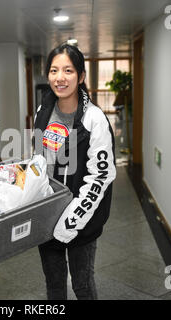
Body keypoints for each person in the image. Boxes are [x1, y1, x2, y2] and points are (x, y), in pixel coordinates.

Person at [33, 44, 116, 300]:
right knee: (54, 285)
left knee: (82, 284)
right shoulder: (42, 113)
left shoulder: (94, 119)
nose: (60, 77)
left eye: (68, 70)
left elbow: (100, 176)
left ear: (80, 76)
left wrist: (72, 220)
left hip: (84, 218)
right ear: (48, 75)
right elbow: (39, 160)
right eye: (54, 70)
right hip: (48, 215)